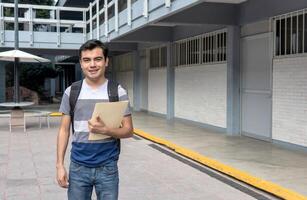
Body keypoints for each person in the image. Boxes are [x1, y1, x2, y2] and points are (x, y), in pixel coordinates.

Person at [56, 39, 133, 200]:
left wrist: (106, 130)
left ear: (106, 62)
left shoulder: (117, 92)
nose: (92, 64)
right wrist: (59, 165)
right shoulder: (72, 92)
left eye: (97, 59)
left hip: (108, 168)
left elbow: (128, 130)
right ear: (81, 63)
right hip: (78, 167)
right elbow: (63, 130)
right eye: (87, 60)